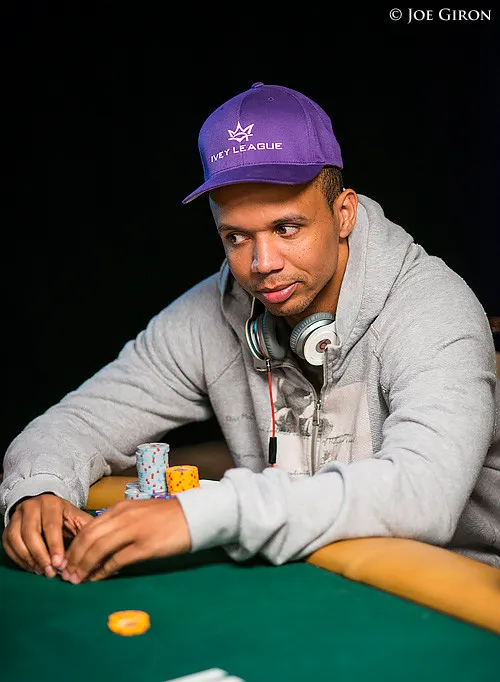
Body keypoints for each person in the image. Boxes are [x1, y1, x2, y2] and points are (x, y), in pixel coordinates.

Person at [1, 82, 499, 582]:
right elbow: (80, 421)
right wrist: (39, 486)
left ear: (343, 213)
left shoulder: (433, 309)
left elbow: (424, 494)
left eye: (286, 229)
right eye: (237, 237)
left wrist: (203, 514)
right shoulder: (211, 313)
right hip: (304, 583)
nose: (262, 264)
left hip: (448, 594)